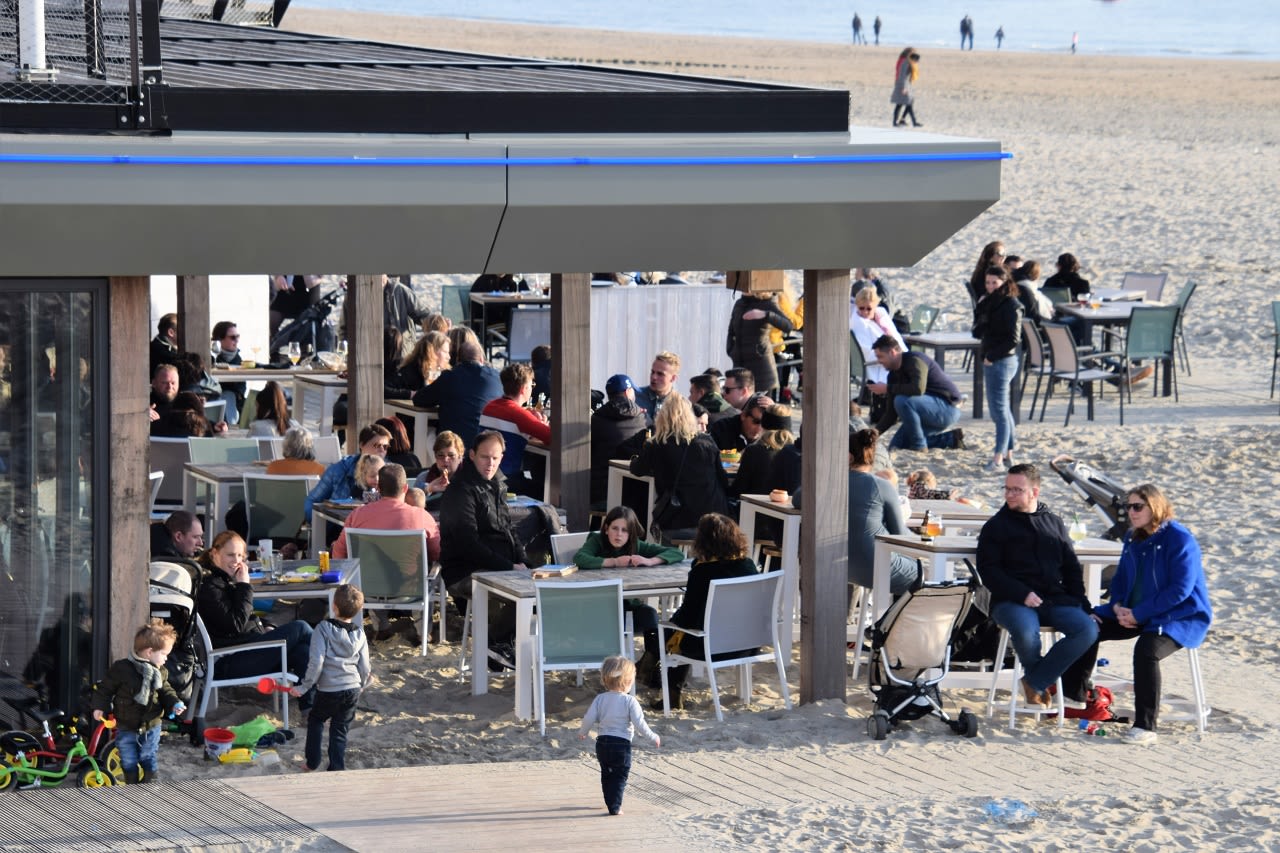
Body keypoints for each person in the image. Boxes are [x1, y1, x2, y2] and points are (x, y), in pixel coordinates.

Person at [1062, 484, 1212, 744]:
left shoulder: (1179, 538)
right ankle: (1077, 695)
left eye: (1137, 506)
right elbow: (1120, 580)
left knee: (1146, 651)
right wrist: (1118, 606)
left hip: (1178, 615)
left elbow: (1181, 590)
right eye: (1127, 506)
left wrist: (1139, 614)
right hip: (1134, 612)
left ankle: (1146, 726)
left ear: (1155, 506)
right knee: (1088, 624)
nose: (1131, 512)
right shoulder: (1133, 537)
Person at [976, 464, 1098, 708]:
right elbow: (988, 571)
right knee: (1025, 631)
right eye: (1007, 489)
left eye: (1016, 490)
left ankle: (1035, 681)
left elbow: (1072, 569)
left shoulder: (1054, 523)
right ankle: (1038, 682)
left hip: (1054, 599)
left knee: (1088, 629)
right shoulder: (995, 526)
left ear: (1034, 492)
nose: (1009, 494)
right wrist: (1022, 594)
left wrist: (1084, 605)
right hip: (1010, 600)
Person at [658, 513, 759, 710]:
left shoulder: (702, 572)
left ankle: (669, 692)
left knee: (668, 631)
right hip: (748, 644)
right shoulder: (748, 565)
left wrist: (671, 622)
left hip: (712, 648)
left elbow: (687, 616)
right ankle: (651, 673)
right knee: (677, 630)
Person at [196, 530, 314, 696]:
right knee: (300, 627)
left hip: (246, 648)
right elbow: (235, 625)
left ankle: (311, 711)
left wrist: (266, 626)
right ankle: (337, 665)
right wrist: (244, 585)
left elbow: (243, 617)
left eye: (240, 555)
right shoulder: (210, 586)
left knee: (302, 651)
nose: (236, 561)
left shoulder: (223, 579)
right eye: (230, 555)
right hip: (227, 661)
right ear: (214, 553)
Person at [799, 428, 915, 597]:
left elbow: (797, 499)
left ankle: (890, 621)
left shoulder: (829, 482)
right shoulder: (882, 486)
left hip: (835, 562)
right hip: (871, 564)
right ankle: (894, 622)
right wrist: (927, 540)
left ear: (847, 457)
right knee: (926, 575)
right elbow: (900, 535)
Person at [573, 506, 685, 680]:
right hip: (599, 610)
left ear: (631, 533)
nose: (619, 535)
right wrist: (614, 561)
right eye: (615, 529)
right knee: (645, 616)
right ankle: (648, 668)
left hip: (627, 607)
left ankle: (650, 664)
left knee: (650, 615)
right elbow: (580, 558)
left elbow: (676, 552)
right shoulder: (596, 540)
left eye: (624, 530)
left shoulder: (636, 546)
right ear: (606, 528)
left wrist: (649, 561)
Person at [438, 431, 528, 645]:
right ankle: (494, 645)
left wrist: (524, 561)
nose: (490, 463)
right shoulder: (460, 490)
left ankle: (505, 645)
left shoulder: (498, 485)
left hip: (498, 564)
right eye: (484, 457)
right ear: (472, 455)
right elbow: (467, 544)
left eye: (495, 458)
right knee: (519, 595)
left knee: (543, 591)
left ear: (501, 458)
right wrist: (508, 567)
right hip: (464, 570)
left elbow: (509, 529)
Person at [91, 620, 185, 784]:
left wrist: (174, 702)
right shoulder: (122, 669)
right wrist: (100, 706)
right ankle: (132, 784)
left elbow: (165, 690)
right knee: (128, 758)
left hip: (151, 723)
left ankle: (150, 782)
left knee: (147, 755)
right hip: (126, 724)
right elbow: (105, 689)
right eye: (164, 654)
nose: (166, 658)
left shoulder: (160, 671)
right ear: (149, 652)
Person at [289, 584, 371, 772]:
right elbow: (364, 665)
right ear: (359, 610)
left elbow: (316, 661)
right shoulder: (360, 633)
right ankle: (336, 767)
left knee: (316, 720)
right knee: (339, 729)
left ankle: (312, 761)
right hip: (352, 689)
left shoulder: (323, 628)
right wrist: (364, 683)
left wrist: (304, 687)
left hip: (329, 689)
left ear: (334, 606)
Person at [630, 394, 729, 544]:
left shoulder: (656, 444)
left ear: (662, 417)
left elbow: (637, 469)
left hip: (676, 520)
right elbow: (722, 479)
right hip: (712, 518)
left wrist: (636, 458)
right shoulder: (707, 442)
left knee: (666, 555)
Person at [578, 655, 660, 816]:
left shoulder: (600, 699)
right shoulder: (630, 701)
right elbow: (639, 724)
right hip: (621, 745)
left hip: (602, 743)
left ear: (604, 679)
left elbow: (588, 718)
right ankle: (615, 807)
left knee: (606, 773)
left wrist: (583, 732)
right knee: (620, 776)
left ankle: (610, 801)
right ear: (629, 682)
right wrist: (653, 736)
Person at [868, 335, 964, 451]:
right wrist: (872, 435)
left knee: (901, 400)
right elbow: (891, 415)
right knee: (897, 445)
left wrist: (887, 388)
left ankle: (920, 447)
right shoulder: (892, 376)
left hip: (947, 409)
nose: (879, 361)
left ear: (892, 352)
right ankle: (951, 439)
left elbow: (918, 389)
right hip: (925, 412)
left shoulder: (915, 360)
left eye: (880, 357)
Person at [972, 265, 1024, 471]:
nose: (991, 286)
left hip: (1002, 360)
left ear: (1004, 282)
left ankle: (998, 458)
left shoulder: (1012, 305)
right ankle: (1009, 453)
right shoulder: (988, 302)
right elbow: (978, 331)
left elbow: (1014, 339)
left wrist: (991, 356)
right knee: (1002, 410)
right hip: (992, 358)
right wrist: (981, 309)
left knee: (999, 412)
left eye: (995, 282)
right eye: (988, 282)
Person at [413, 335, 502, 449]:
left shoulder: (449, 377)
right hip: (486, 445)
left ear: (458, 360)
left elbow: (419, 400)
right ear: (481, 359)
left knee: (426, 431)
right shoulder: (496, 378)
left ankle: (425, 465)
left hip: (454, 446)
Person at [304, 423, 392, 518]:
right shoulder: (340, 469)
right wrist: (319, 525)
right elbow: (312, 500)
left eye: (385, 447)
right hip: (339, 526)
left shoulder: (391, 473)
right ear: (361, 445)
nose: (382, 450)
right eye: (377, 445)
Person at [590, 375, 647, 506]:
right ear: (628, 392)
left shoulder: (595, 420)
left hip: (598, 492)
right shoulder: (644, 419)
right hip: (634, 491)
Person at [726, 289, 794, 397]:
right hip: (740, 364)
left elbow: (788, 326)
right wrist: (730, 350)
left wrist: (765, 315)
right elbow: (731, 330)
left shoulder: (767, 303)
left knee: (762, 408)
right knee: (742, 407)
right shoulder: (739, 303)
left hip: (761, 365)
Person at [730, 405, 794, 499]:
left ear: (763, 424)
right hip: (786, 509)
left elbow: (739, 488)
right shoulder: (795, 453)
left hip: (755, 507)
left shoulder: (754, 451)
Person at [851, 286, 906, 384]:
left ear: (875, 307)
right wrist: (891, 356)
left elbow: (897, 338)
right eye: (861, 308)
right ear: (857, 306)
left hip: (894, 359)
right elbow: (867, 354)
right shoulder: (858, 324)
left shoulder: (881, 317)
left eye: (869, 309)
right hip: (878, 367)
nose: (865, 312)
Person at [386, 330, 450, 400]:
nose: (448, 357)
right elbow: (384, 389)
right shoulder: (412, 371)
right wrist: (411, 394)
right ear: (432, 351)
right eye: (445, 352)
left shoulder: (443, 374)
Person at [708, 393, 773, 453]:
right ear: (743, 415)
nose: (759, 429)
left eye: (765, 423)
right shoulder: (721, 429)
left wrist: (777, 416)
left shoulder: (772, 432)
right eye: (756, 422)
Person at [210, 320, 246, 425]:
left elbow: (242, 387)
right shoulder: (211, 357)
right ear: (219, 340)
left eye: (237, 336)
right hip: (216, 399)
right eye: (232, 337)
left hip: (236, 402)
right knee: (227, 395)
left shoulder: (238, 358)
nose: (237, 341)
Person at [413, 430, 465, 500]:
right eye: (440, 455)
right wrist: (428, 489)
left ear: (460, 458)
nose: (445, 459)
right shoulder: (423, 478)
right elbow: (411, 507)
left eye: (451, 455)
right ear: (435, 457)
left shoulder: (470, 479)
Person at [634, 351, 681, 425]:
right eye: (652, 372)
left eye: (660, 374)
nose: (654, 377)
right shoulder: (635, 397)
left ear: (673, 378)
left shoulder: (680, 405)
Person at [967, 240, 1006, 306]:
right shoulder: (991, 274)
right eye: (1001, 254)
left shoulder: (981, 270)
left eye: (1004, 254)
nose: (1004, 257)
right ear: (991, 258)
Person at [890, 48, 922, 128]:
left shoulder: (909, 63)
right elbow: (902, 76)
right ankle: (897, 122)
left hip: (906, 85)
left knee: (908, 103)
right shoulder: (905, 63)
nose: (916, 63)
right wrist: (903, 87)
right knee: (901, 104)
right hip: (902, 85)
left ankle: (911, 122)